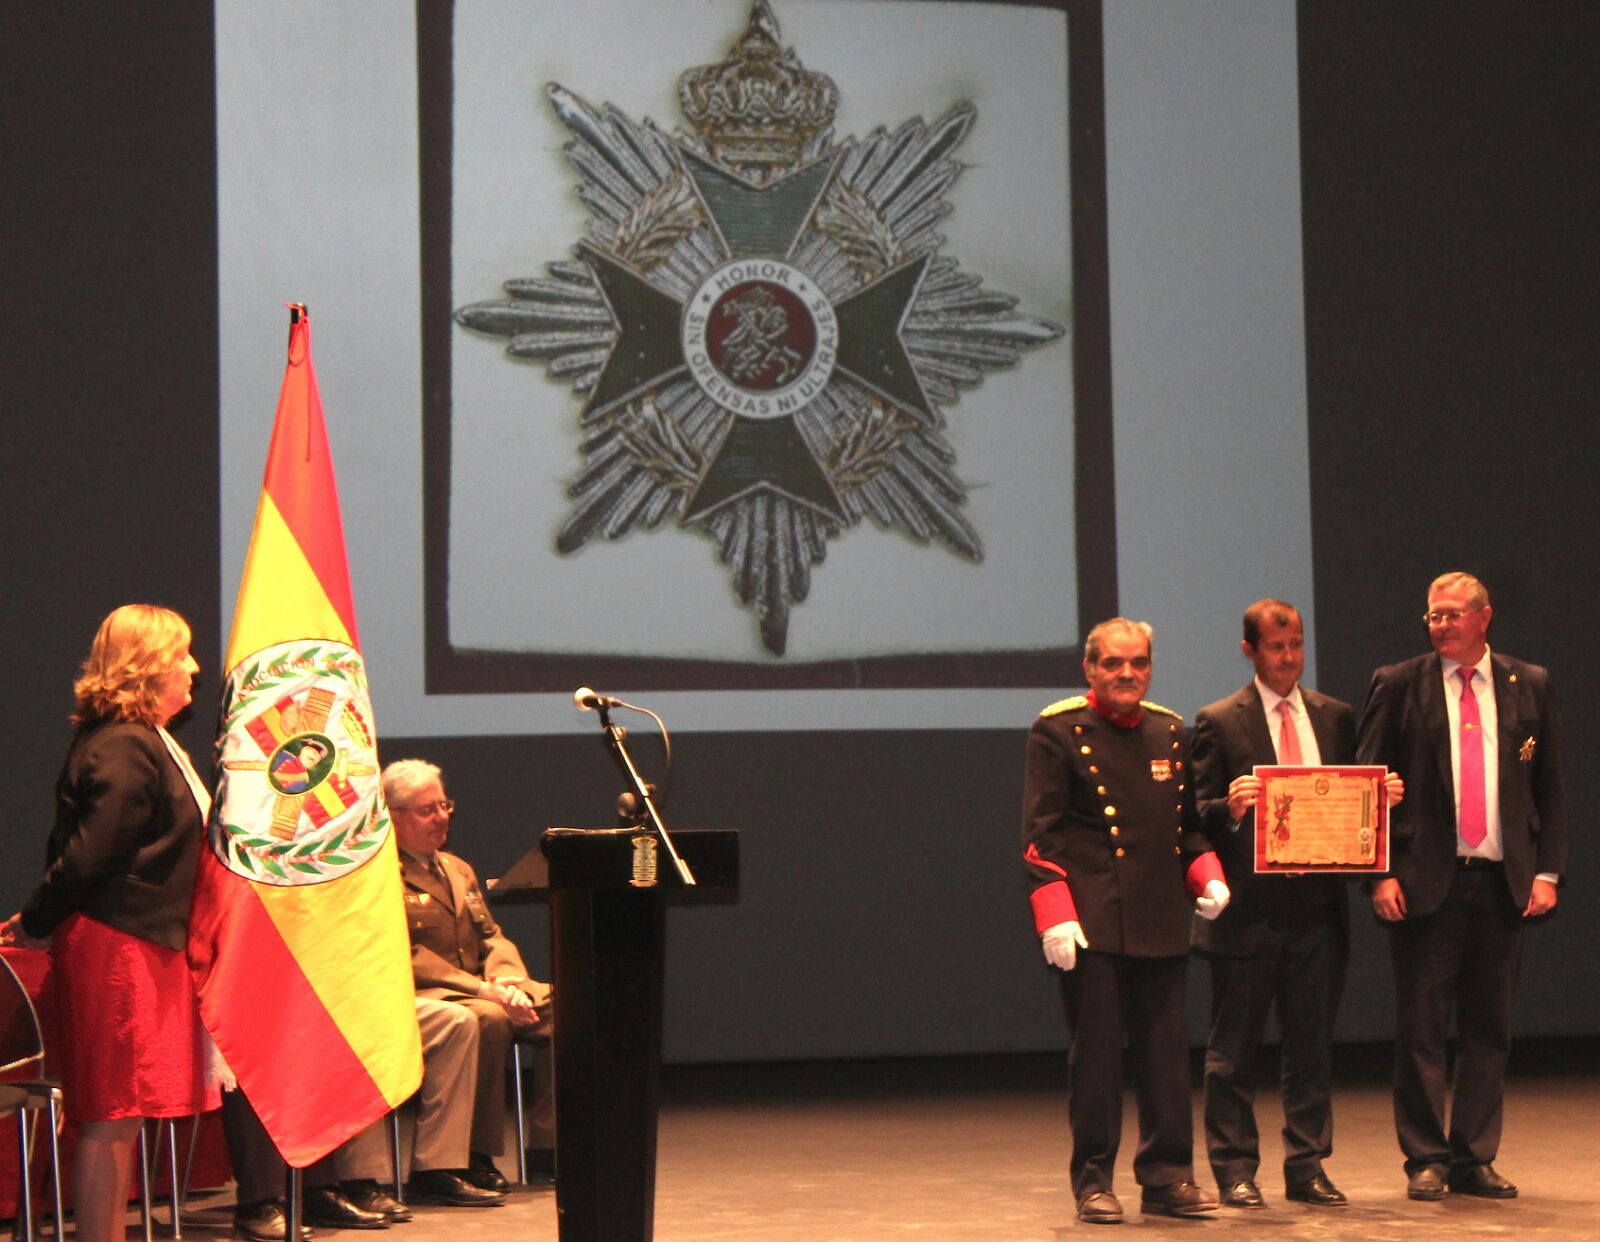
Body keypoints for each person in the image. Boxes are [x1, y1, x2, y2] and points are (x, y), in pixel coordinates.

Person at [0, 605, 220, 1242]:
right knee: (111, 1111)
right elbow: (94, 852)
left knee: (121, 1112)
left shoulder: (145, 739)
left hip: (140, 943)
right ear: (148, 665)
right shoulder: (125, 741)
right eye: (181, 655)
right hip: (119, 946)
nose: (194, 669)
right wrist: (40, 917)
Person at [1356, 572, 1566, 1201]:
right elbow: (1368, 783)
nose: (1439, 625)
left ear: (1484, 617)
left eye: (1451, 614)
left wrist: (1547, 871)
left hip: (1503, 880)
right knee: (1421, 1028)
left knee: (1488, 1028)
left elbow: (1549, 785)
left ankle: (1474, 1157)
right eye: (1431, 616)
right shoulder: (1399, 683)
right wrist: (1379, 871)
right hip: (1425, 880)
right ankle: (1425, 1157)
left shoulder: (1528, 683)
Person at [1190, 599, 1405, 1210]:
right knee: (1234, 1050)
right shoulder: (1218, 721)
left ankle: (1307, 1165)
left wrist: (1378, 799)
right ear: (1250, 651)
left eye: (1297, 645)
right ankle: (1235, 1168)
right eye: (1277, 647)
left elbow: (1349, 801)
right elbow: (1196, 814)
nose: (1289, 657)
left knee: (1310, 1047)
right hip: (1247, 912)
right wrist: (1228, 807)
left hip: (1317, 908)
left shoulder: (1334, 716)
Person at [1021, 617, 1230, 1224]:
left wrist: (1207, 874)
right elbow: (1040, 839)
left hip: (1159, 912)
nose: (1126, 674)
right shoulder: (1058, 731)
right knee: (1098, 1059)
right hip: (1092, 920)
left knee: (1166, 1056)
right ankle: (1093, 1181)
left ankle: (1167, 1178)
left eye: (1137, 662)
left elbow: (1184, 828)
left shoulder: (1168, 730)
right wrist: (1054, 916)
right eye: (1113, 663)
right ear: (1089, 669)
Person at [384, 759, 557, 1191]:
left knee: (566, 1008)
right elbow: (405, 955)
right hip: (430, 995)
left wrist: (511, 983)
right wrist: (485, 990)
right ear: (393, 815)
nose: (442, 817)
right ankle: (472, 1155)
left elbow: (491, 937)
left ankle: (550, 1148)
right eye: (427, 810)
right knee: (488, 1017)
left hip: (484, 988)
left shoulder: (458, 869)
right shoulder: (380, 873)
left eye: (444, 805)